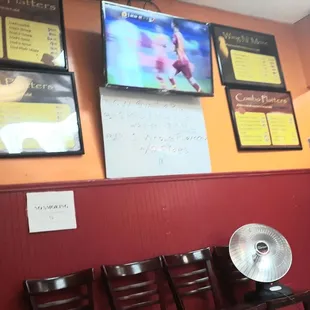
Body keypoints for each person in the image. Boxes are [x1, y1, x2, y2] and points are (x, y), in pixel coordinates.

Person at [106, 9, 143, 87]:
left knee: (123, 90)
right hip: (134, 61)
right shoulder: (134, 28)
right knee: (138, 88)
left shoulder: (113, 26)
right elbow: (138, 46)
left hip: (121, 62)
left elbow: (112, 47)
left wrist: (109, 66)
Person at [169, 19, 201, 92]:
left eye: (171, 23)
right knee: (171, 76)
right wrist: (176, 51)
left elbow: (179, 46)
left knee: (190, 79)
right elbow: (179, 46)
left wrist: (178, 53)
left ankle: (199, 91)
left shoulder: (176, 34)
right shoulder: (179, 34)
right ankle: (175, 90)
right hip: (181, 60)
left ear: (173, 24)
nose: (171, 25)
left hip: (182, 61)